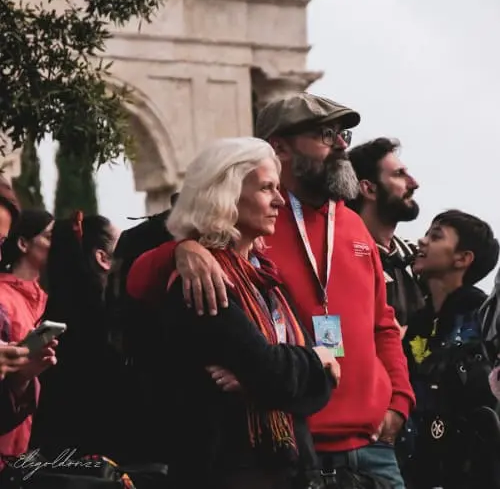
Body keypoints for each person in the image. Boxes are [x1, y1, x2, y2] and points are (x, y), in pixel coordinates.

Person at [127, 93, 414, 488]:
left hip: (371, 448)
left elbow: (383, 324)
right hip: (289, 444)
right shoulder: (246, 223)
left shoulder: (353, 225)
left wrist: (398, 402)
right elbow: (139, 279)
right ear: (280, 145)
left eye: (343, 134)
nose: (342, 145)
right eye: (325, 134)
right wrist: (182, 250)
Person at [157, 136, 335, 488]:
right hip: (231, 472)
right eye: (267, 188)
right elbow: (273, 371)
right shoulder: (204, 278)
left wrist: (269, 378)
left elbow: (322, 389)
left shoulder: (265, 277)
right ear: (226, 195)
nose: (280, 200)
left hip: (292, 468)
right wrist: (319, 359)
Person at [404, 209, 500, 488]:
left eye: (435, 236)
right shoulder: (418, 322)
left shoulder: (483, 317)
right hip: (418, 466)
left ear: (463, 258)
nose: (421, 241)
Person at [30, 213, 129, 461]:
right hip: (99, 455)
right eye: (122, 243)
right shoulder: (109, 316)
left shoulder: (55, 313)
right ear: (102, 258)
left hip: (55, 454)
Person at [347, 137, 425, 332]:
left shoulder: (416, 260)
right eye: (399, 174)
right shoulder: (342, 256)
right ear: (369, 189)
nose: (414, 184)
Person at [0, 209, 57, 460]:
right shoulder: (3, 297)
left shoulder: (46, 301)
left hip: (26, 446)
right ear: (23, 243)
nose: (56, 246)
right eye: (49, 236)